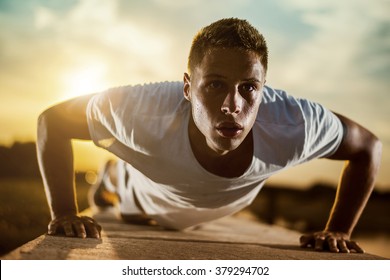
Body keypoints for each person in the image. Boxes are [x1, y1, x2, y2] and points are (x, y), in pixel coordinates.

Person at [36, 18, 382, 253]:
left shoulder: (294, 123)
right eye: (215, 85)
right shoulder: (138, 109)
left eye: (248, 88)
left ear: (264, 88)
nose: (233, 105)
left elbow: (368, 147)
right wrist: (64, 211)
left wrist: (339, 230)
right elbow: (53, 120)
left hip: (219, 204)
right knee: (124, 198)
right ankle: (112, 175)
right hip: (143, 191)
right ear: (188, 87)